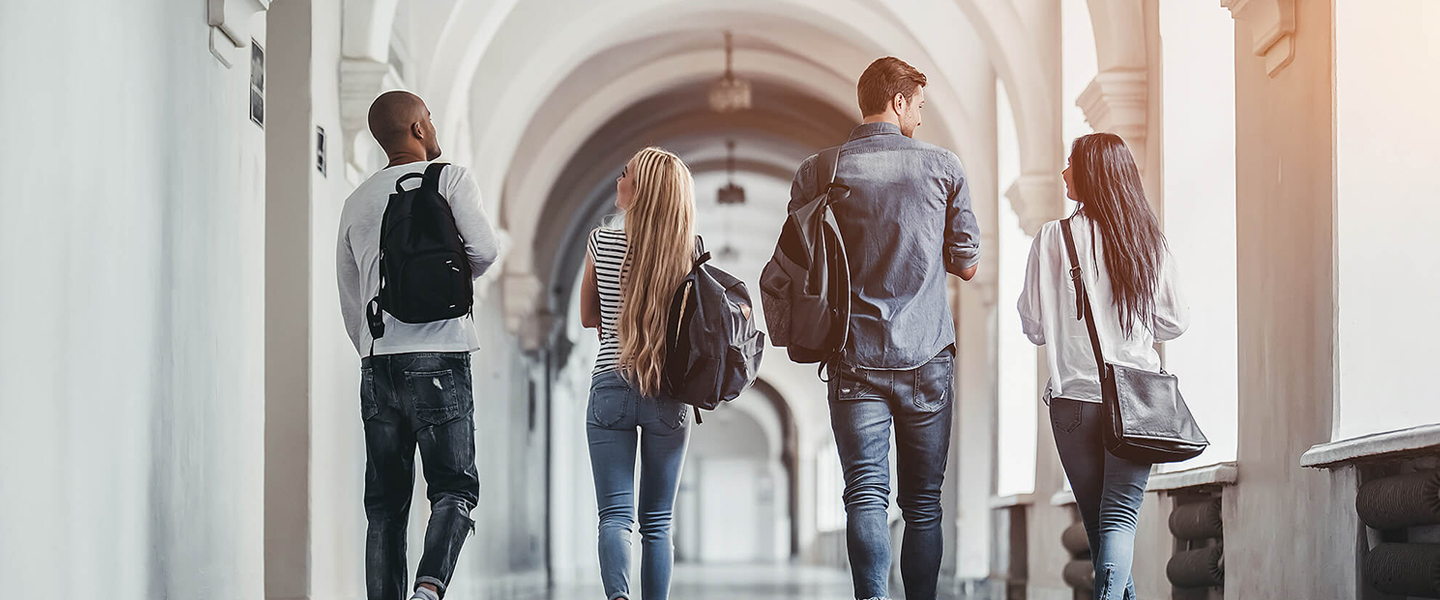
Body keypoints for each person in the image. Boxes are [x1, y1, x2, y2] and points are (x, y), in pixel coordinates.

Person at [788, 57, 981, 600]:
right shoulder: (943, 166)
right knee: (923, 504)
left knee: (865, 495)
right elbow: (967, 264)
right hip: (927, 356)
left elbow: (802, 260)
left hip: (853, 357)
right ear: (897, 102)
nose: (919, 117)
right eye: (918, 106)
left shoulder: (818, 171)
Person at [336, 90, 499, 600]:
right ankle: (428, 588)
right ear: (418, 129)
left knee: (385, 506)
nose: (432, 125)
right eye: (428, 117)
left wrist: (372, 350)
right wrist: (444, 288)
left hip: (378, 362)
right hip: (441, 354)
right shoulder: (450, 179)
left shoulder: (356, 201)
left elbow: (350, 294)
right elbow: (485, 250)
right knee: (454, 487)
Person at [1018, 132, 1189, 600]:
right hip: (1136, 400)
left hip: (1072, 402)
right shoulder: (1147, 240)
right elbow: (1174, 321)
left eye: (1071, 163)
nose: (1063, 172)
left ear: (1092, 173)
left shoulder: (1051, 239)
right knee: (1119, 519)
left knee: (1099, 525)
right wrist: (1129, 327)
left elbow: (1033, 326)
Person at [579, 147, 696, 600]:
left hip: (611, 382)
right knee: (658, 523)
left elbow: (588, 316)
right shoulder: (689, 250)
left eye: (624, 174)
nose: (618, 180)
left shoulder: (599, 241)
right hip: (668, 389)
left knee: (614, 516)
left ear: (640, 189)